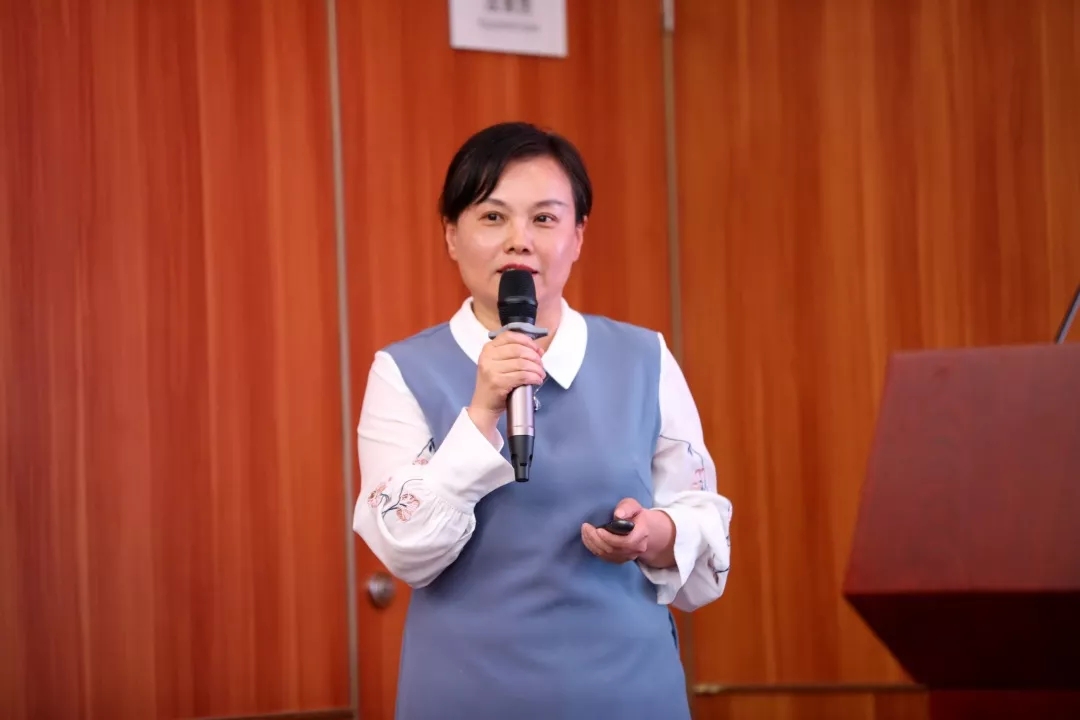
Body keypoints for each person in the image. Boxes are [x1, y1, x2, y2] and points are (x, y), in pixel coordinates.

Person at [353, 121, 733, 719]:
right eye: (493, 216)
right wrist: (481, 410)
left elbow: (703, 520)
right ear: (451, 235)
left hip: (628, 694)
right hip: (464, 696)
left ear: (578, 236)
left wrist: (656, 534)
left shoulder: (644, 357)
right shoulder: (402, 371)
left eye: (545, 218)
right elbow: (404, 551)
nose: (519, 241)